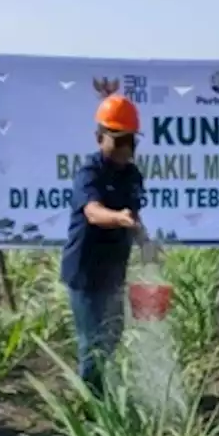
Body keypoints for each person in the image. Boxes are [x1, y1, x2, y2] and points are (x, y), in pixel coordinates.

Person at [61, 94, 151, 393]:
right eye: (118, 139)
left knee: (112, 336)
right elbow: (93, 212)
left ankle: (105, 393)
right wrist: (119, 217)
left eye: (130, 140)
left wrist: (144, 241)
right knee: (93, 342)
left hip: (114, 270)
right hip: (86, 272)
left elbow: (133, 216)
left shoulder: (132, 175)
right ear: (100, 138)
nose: (125, 147)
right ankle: (90, 406)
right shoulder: (90, 173)